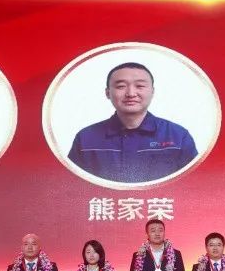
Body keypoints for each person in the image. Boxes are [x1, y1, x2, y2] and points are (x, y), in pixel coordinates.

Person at [67, 62, 198, 183]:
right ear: (107, 93)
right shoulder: (86, 138)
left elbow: (193, 185)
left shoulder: (178, 136)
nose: (131, 93)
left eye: (140, 86)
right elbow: (72, 186)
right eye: (121, 86)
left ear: (152, 92)